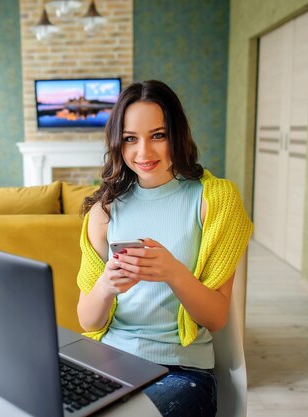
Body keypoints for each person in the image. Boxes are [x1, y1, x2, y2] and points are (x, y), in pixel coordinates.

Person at [76, 80, 253, 417]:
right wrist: (106, 286)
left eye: (158, 135)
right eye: (130, 139)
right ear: (117, 143)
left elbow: (216, 318)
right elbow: (87, 319)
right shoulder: (104, 210)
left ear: (177, 134)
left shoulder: (213, 200)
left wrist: (173, 272)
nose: (143, 153)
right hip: (109, 363)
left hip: (181, 372)